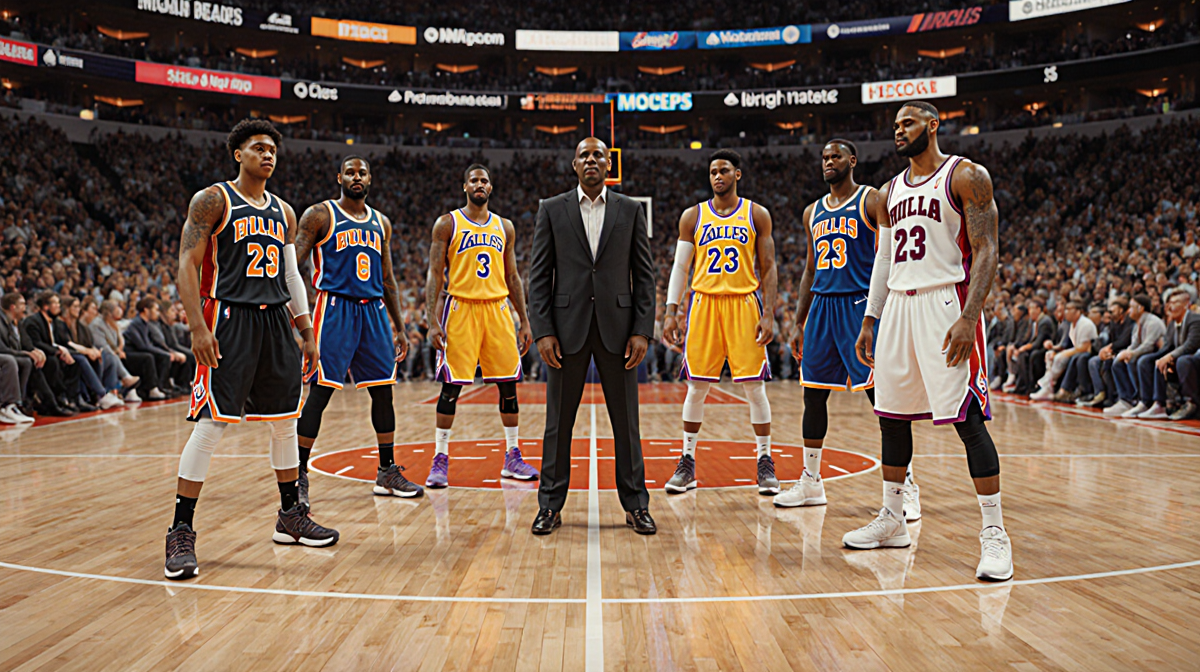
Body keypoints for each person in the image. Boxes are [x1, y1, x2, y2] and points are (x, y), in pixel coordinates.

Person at [164, 119, 338, 581]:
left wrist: (306, 329)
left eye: (273, 150)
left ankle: (289, 517)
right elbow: (186, 263)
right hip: (227, 318)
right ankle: (181, 530)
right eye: (258, 148)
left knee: (285, 423)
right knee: (211, 426)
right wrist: (198, 327)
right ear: (237, 154)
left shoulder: (284, 210)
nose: (268, 155)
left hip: (275, 321)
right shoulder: (213, 199)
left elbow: (291, 275)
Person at [849, 100, 1013, 582]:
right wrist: (870, 318)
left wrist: (969, 316)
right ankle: (893, 518)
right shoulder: (887, 192)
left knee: (967, 417)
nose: (898, 131)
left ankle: (995, 533)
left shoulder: (967, 176)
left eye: (908, 123)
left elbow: (987, 251)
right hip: (898, 304)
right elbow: (883, 259)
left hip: (946, 302)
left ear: (933, 125)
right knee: (891, 417)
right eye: (895, 125)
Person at [773, 139, 919, 512]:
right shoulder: (812, 212)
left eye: (835, 156)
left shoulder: (872, 200)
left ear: (852, 161)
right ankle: (810, 482)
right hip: (822, 305)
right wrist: (798, 320)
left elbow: (891, 253)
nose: (828, 162)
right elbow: (809, 269)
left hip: (859, 305)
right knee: (813, 394)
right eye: (823, 157)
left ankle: (908, 487)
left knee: (883, 400)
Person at [528, 137, 656, 535]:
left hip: (619, 332)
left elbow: (645, 276)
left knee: (626, 423)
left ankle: (636, 505)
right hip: (565, 333)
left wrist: (641, 330)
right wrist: (544, 331)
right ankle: (549, 505)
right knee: (557, 424)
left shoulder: (631, 210)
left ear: (608, 163)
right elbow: (538, 277)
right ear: (574, 164)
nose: (591, 160)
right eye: (584, 155)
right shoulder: (551, 209)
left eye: (598, 154)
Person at [293, 155, 420, 505]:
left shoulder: (382, 222)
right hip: (334, 308)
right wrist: (297, 317)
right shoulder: (320, 215)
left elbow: (389, 278)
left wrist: (399, 327)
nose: (356, 176)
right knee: (320, 393)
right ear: (339, 177)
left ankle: (387, 471)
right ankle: (299, 474)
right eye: (350, 172)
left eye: (362, 172)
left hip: (374, 310)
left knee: (384, 392)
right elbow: (294, 265)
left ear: (370, 178)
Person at [660, 148, 779, 496]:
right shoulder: (692, 216)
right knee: (697, 386)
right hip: (705, 304)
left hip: (744, 303)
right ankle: (686, 463)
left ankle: (765, 462)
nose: (717, 177)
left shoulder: (756, 214)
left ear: (737, 174)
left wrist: (769, 312)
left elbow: (768, 266)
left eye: (724, 170)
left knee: (754, 387)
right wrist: (671, 310)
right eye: (712, 171)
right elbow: (681, 268)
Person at [424, 164, 537, 488]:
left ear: (491, 187)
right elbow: (435, 272)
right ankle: (440, 458)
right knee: (452, 386)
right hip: (461, 309)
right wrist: (432, 319)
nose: (479, 184)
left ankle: (512, 455)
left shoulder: (505, 226)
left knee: (508, 385)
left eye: (484, 180)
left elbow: (513, 276)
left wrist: (524, 319)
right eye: (474, 180)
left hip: (498, 310)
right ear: (465, 186)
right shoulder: (448, 223)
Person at [1, 293, 70, 417]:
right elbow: (3, 349)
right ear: (12, 307)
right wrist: (26, 353)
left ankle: (55, 400)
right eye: (22, 304)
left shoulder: (18, 322)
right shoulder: (4, 322)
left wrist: (36, 351)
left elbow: (27, 343)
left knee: (41, 360)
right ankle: (18, 404)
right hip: (8, 356)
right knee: (26, 361)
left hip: (15, 356)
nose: (25, 307)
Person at [1136, 288, 1200, 419]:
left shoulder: (1195, 320)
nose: (1170, 306)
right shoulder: (1172, 325)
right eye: (1169, 302)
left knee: (1182, 360)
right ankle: (1156, 404)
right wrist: (1161, 358)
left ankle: (1191, 403)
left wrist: (1170, 357)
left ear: (1186, 304)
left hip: (1193, 360)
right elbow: (1166, 348)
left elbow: (1191, 346)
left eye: (1175, 302)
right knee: (1149, 360)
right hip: (1182, 360)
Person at [20, 292, 87, 411]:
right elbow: (36, 343)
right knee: (53, 362)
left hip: (52, 353)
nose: (58, 306)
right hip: (42, 355)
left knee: (77, 359)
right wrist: (58, 351)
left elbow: (60, 342)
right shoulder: (33, 321)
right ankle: (55, 399)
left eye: (59, 303)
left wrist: (64, 351)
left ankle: (72, 399)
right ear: (46, 306)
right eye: (55, 303)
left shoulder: (55, 322)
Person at [57, 295, 124, 410]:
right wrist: (89, 351)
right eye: (75, 307)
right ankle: (101, 393)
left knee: (104, 357)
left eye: (78, 307)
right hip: (66, 355)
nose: (78, 309)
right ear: (67, 309)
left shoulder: (81, 327)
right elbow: (68, 344)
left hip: (79, 353)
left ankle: (104, 395)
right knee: (82, 359)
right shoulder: (60, 324)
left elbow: (88, 343)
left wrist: (94, 351)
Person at [1105, 294, 1167, 417]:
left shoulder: (1153, 322)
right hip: (1146, 353)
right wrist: (1126, 353)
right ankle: (1126, 400)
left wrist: (1131, 353)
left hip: (1159, 353)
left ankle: (1145, 401)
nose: (1129, 311)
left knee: (1138, 361)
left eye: (1132, 307)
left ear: (1140, 308)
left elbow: (1149, 345)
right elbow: (1134, 344)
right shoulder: (1137, 324)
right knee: (1117, 362)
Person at [90, 299, 153, 403]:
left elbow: (120, 338)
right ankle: (122, 381)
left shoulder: (112, 323)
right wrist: (116, 352)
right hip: (102, 353)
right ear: (110, 311)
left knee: (124, 357)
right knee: (113, 358)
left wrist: (119, 350)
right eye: (116, 307)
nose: (119, 309)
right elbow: (102, 345)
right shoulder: (97, 324)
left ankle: (128, 391)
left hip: (113, 352)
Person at [1030, 300, 1095, 401]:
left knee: (1061, 358)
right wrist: (1055, 349)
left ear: (1078, 311)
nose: (1066, 312)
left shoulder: (1085, 324)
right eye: (1066, 309)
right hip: (1077, 351)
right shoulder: (1072, 325)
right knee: (1049, 354)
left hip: (1087, 352)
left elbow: (1085, 347)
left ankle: (1050, 385)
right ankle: (1048, 387)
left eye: (1069, 309)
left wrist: (1064, 353)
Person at [1079, 298, 1134, 408]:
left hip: (1126, 351)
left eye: (1113, 310)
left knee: (1110, 362)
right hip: (1114, 351)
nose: (1110, 313)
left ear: (1122, 311)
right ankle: (1099, 393)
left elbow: (1125, 341)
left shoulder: (1130, 323)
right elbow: (1111, 341)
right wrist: (1105, 350)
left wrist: (1109, 349)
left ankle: (1117, 397)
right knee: (1093, 362)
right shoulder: (1113, 323)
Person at [124, 298, 180, 400]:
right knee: (151, 357)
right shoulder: (135, 324)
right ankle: (152, 388)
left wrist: (167, 352)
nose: (157, 313)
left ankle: (161, 386)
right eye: (155, 309)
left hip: (140, 351)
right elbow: (142, 345)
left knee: (162, 356)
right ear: (146, 310)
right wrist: (164, 352)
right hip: (130, 353)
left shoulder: (145, 324)